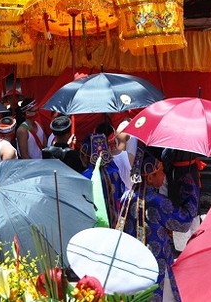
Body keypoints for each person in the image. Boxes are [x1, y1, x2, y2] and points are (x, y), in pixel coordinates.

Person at [119, 150, 199, 302]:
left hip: (132, 260)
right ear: (150, 177)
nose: (163, 175)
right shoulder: (158, 201)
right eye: (160, 172)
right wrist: (189, 189)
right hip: (156, 261)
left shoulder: (126, 197)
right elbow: (184, 222)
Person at [82, 129, 124, 228]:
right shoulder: (115, 172)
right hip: (114, 223)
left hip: (94, 225)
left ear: (87, 156)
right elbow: (119, 196)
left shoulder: (84, 177)